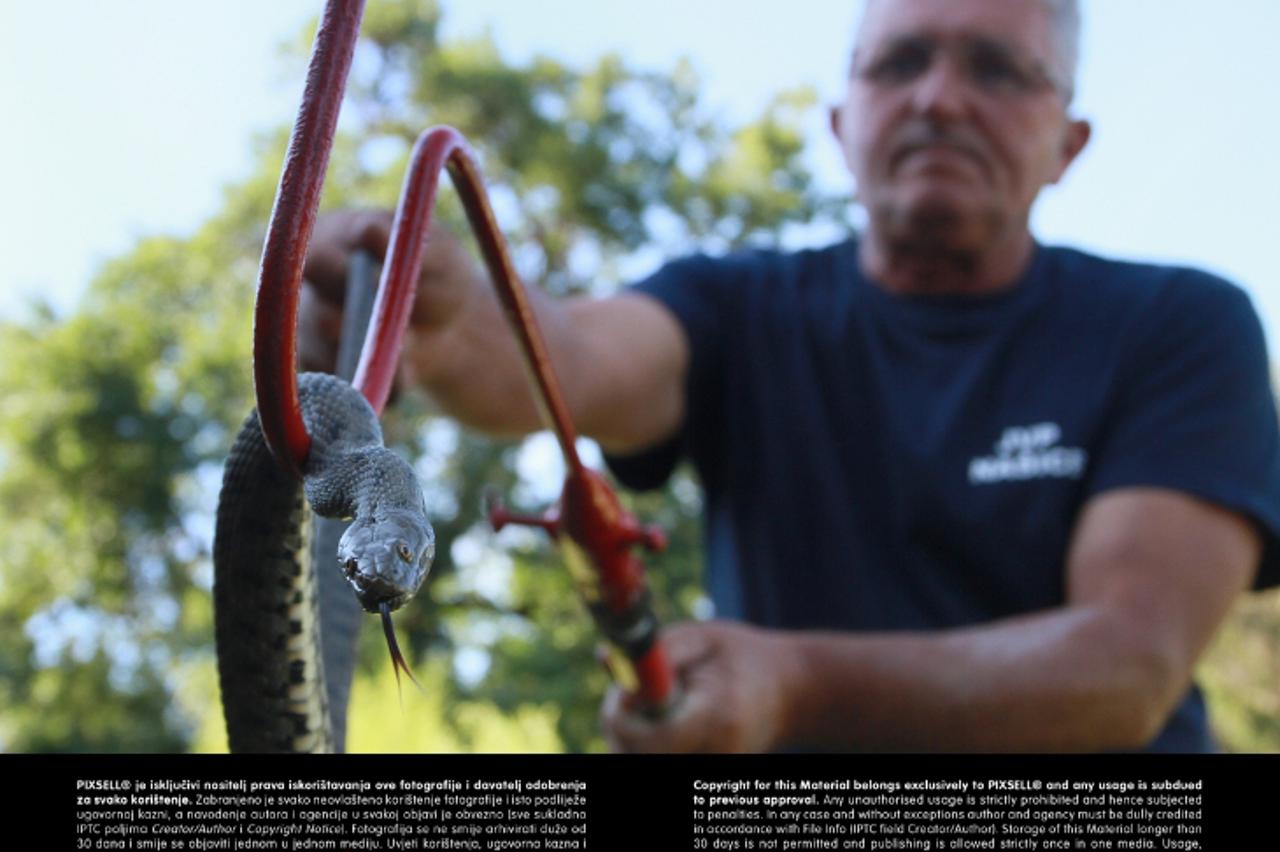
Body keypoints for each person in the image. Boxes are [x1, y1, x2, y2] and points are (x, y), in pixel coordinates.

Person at [300, 0, 1280, 752]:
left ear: (1067, 142)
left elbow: (1124, 666)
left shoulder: (1179, 324)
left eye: (995, 68)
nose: (938, 98)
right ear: (840, 123)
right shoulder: (734, 308)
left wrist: (796, 682)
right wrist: (439, 314)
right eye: (898, 63)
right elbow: (554, 362)